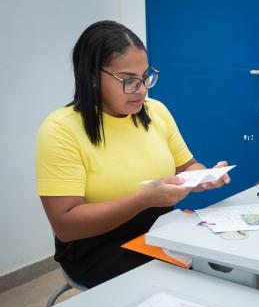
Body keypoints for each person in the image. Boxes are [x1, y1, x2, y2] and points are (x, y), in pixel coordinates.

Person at [35, 20, 230, 288]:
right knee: (187, 286)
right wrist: (143, 199)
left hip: (159, 230)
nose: (141, 89)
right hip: (98, 246)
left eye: (145, 76)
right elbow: (67, 225)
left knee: (227, 262)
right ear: (92, 77)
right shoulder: (60, 129)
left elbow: (187, 167)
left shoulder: (155, 111)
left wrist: (203, 177)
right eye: (128, 80)